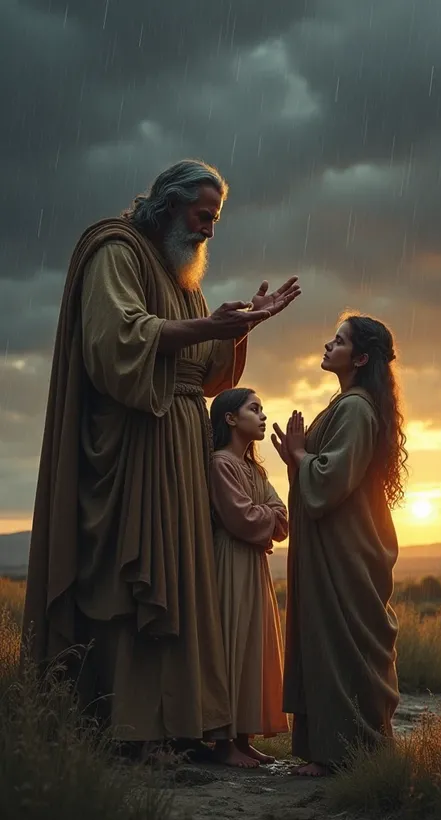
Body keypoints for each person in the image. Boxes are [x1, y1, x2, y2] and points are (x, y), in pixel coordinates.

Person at [22, 159, 301, 756]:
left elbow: (203, 380)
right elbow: (117, 339)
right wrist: (207, 325)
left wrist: (237, 329)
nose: (208, 231)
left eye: (215, 220)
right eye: (204, 216)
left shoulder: (184, 279)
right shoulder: (115, 251)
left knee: (178, 581)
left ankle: (176, 726)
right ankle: (127, 728)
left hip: (179, 448)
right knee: (132, 582)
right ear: (170, 204)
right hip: (133, 446)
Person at [272, 313, 407, 776]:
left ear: (361, 357)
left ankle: (346, 755)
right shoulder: (347, 403)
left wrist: (300, 457)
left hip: (348, 554)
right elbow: (321, 474)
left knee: (342, 647)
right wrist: (298, 461)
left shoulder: (355, 408)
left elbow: (330, 480)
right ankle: (325, 751)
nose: (328, 345)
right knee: (325, 642)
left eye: (340, 341)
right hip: (334, 549)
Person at [209, 388, 289, 768]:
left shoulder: (254, 469)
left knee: (254, 645)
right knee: (231, 641)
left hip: (255, 563)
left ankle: (244, 737)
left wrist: (265, 515)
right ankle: (223, 743)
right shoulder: (219, 464)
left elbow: (281, 515)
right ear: (229, 418)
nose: (262, 415)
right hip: (230, 561)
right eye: (253, 409)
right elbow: (239, 517)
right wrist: (265, 516)